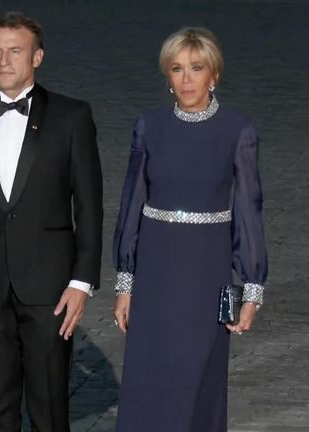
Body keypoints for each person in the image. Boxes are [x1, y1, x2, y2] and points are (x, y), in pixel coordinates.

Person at [0, 12, 103, 431]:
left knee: (49, 412)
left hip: (51, 289)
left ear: (37, 57)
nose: (4, 61)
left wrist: (81, 281)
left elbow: (89, 205)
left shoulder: (72, 117)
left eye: (15, 51)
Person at [112, 27, 267, 432]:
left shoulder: (238, 130)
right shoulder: (149, 126)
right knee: (149, 379)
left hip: (205, 270)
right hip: (155, 271)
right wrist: (125, 283)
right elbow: (131, 206)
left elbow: (249, 210)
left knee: (197, 381)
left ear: (213, 74)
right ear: (167, 75)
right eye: (177, 69)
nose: (186, 79)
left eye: (196, 69)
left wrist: (251, 287)